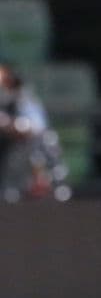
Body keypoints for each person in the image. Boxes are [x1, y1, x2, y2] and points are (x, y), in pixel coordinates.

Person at [0, 63, 66, 202]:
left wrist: (9, 124)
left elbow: (36, 127)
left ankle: (48, 186)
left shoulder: (22, 100)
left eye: (4, 79)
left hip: (23, 158)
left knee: (46, 142)